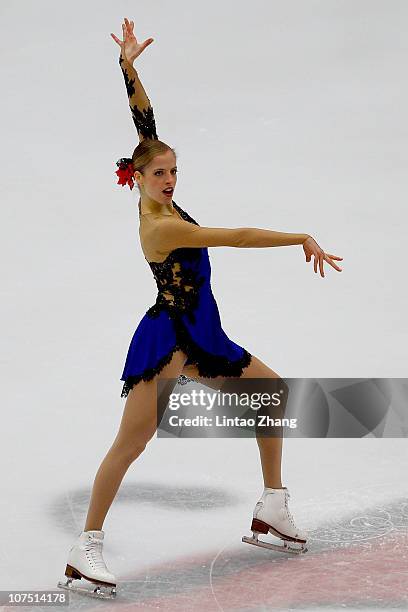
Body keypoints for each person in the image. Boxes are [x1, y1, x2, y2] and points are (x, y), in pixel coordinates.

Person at [57, 18, 343, 599]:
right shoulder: (160, 229)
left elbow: (146, 123)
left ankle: (272, 505)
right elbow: (233, 235)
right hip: (168, 342)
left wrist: (129, 68)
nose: (169, 179)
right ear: (136, 180)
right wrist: (297, 237)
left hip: (202, 332)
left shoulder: (162, 194)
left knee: (272, 392)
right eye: (159, 173)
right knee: (130, 444)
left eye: (173, 171)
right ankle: (85, 547)